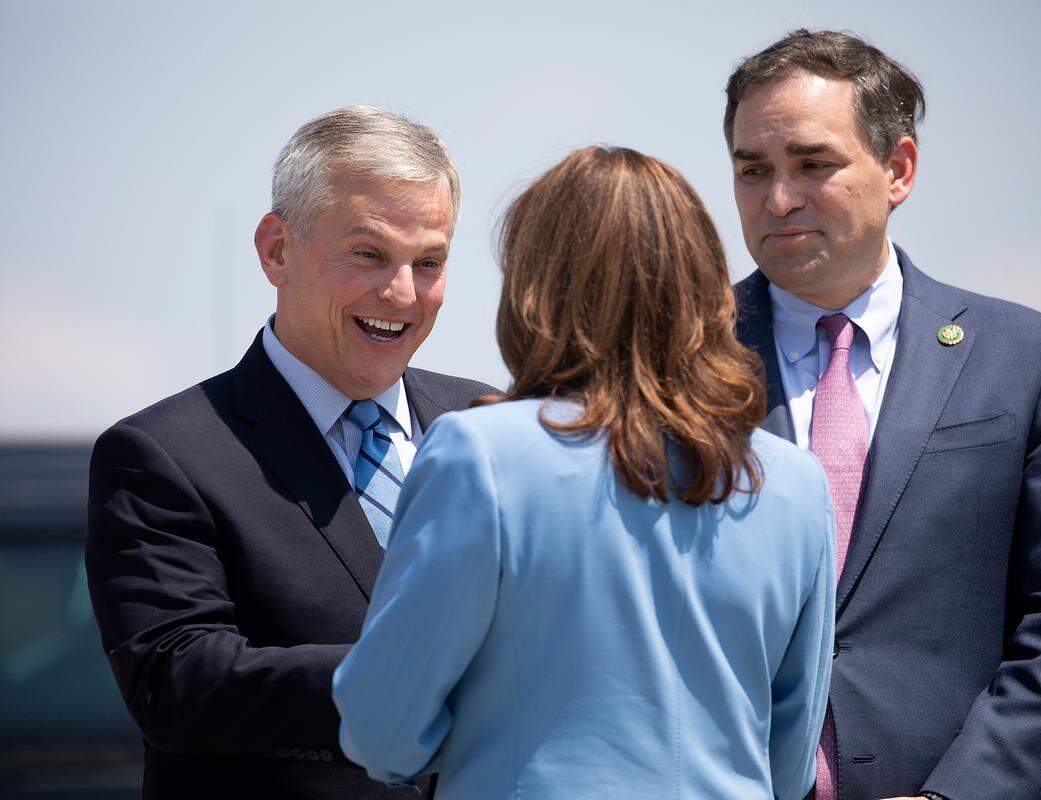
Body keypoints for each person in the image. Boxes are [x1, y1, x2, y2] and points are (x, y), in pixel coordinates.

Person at [333, 146, 836, 799]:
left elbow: (383, 733)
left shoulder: (479, 454)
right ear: (704, 285)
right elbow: (790, 767)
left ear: (535, 289)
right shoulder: (796, 483)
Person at [726, 29, 1041, 800]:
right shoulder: (669, 358)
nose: (779, 200)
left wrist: (959, 796)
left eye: (813, 165)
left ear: (899, 169)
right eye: (754, 171)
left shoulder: (1026, 360)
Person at [85, 106, 497, 799]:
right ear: (277, 249)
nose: (402, 293)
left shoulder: (492, 424)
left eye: (428, 262)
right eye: (368, 254)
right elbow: (177, 679)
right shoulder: (163, 454)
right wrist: (405, 674)